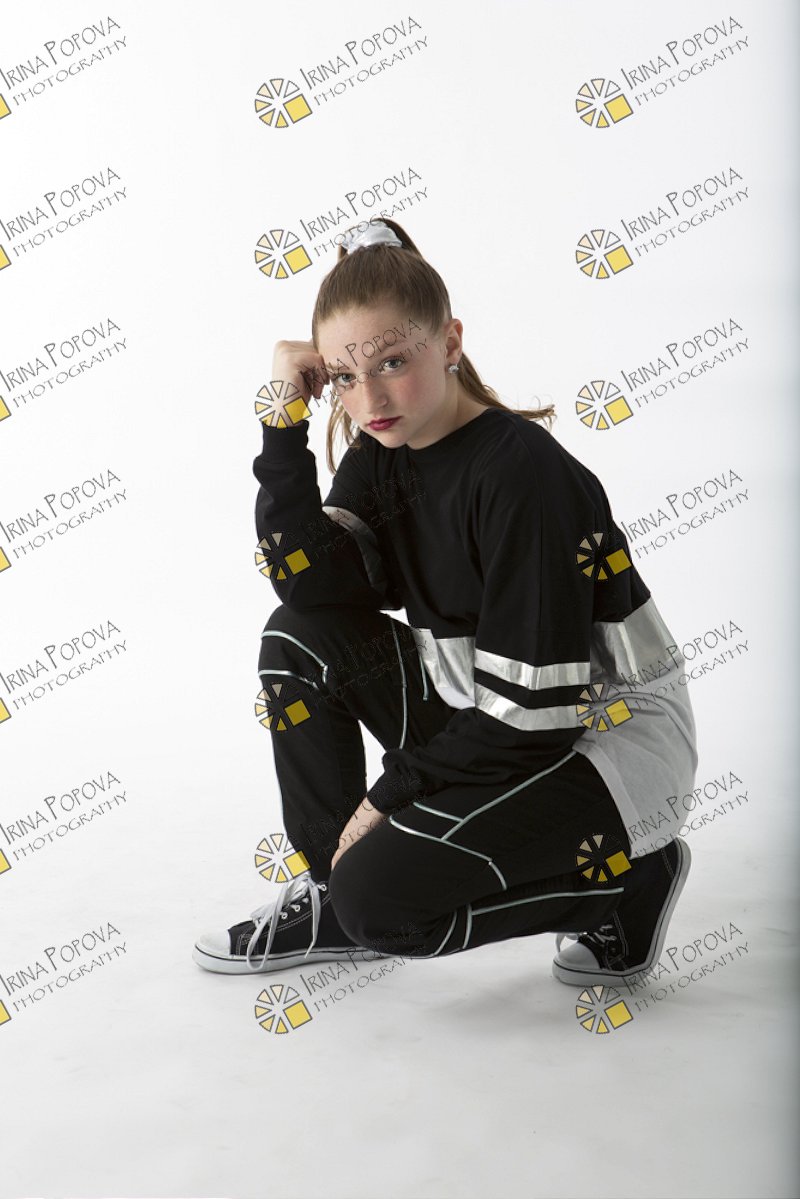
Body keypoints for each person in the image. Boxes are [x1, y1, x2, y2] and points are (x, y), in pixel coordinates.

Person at [192, 216, 698, 989]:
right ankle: (333, 895)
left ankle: (629, 882)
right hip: (490, 715)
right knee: (296, 637)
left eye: (392, 362)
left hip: (600, 742)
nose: (369, 397)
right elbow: (306, 583)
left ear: (450, 341)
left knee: (382, 900)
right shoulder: (384, 451)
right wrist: (282, 420)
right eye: (344, 376)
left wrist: (387, 796)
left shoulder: (522, 475)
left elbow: (536, 712)